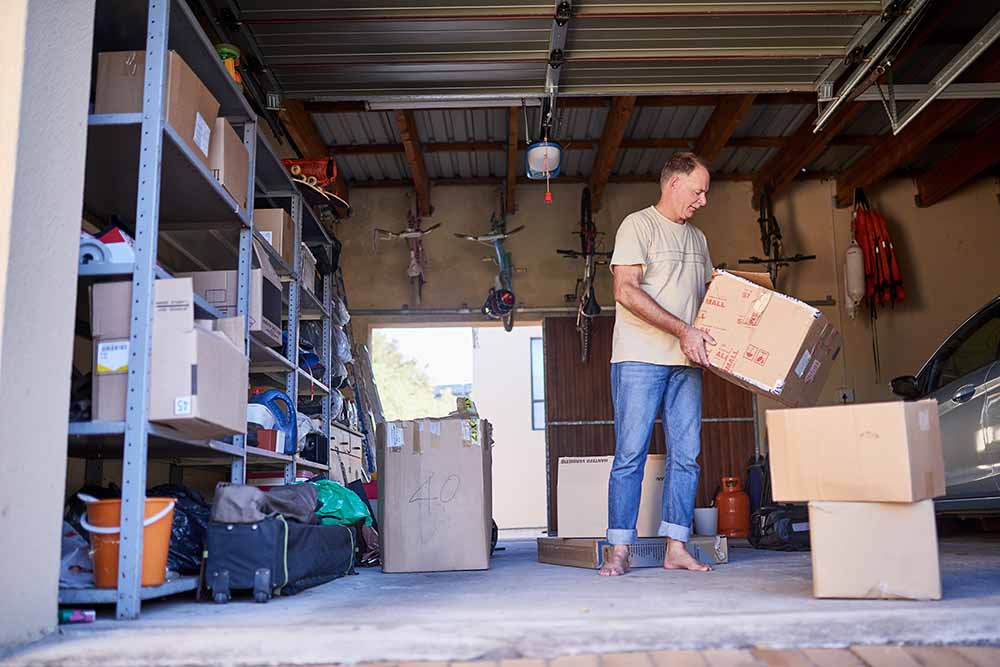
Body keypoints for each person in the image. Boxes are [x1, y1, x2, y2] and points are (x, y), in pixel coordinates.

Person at [599, 152, 716, 577]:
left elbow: (706, 301)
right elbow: (625, 290)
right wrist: (682, 330)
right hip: (639, 358)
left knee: (687, 456)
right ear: (674, 185)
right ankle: (619, 550)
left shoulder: (699, 240)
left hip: (687, 362)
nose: (703, 200)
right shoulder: (638, 225)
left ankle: (676, 547)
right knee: (630, 454)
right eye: (698, 191)